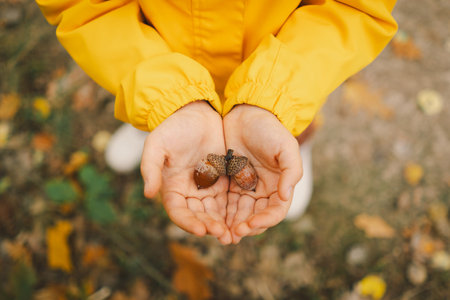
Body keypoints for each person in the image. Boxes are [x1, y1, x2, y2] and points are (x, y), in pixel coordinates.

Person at [36, 0, 398, 245]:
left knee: (291, 121)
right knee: (151, 106)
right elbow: (85, 8)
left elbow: (354, 9)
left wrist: (274, 100)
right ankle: (153, 124)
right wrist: (167, 100)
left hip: (285, 64)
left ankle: (290, 143)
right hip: (154, 53)